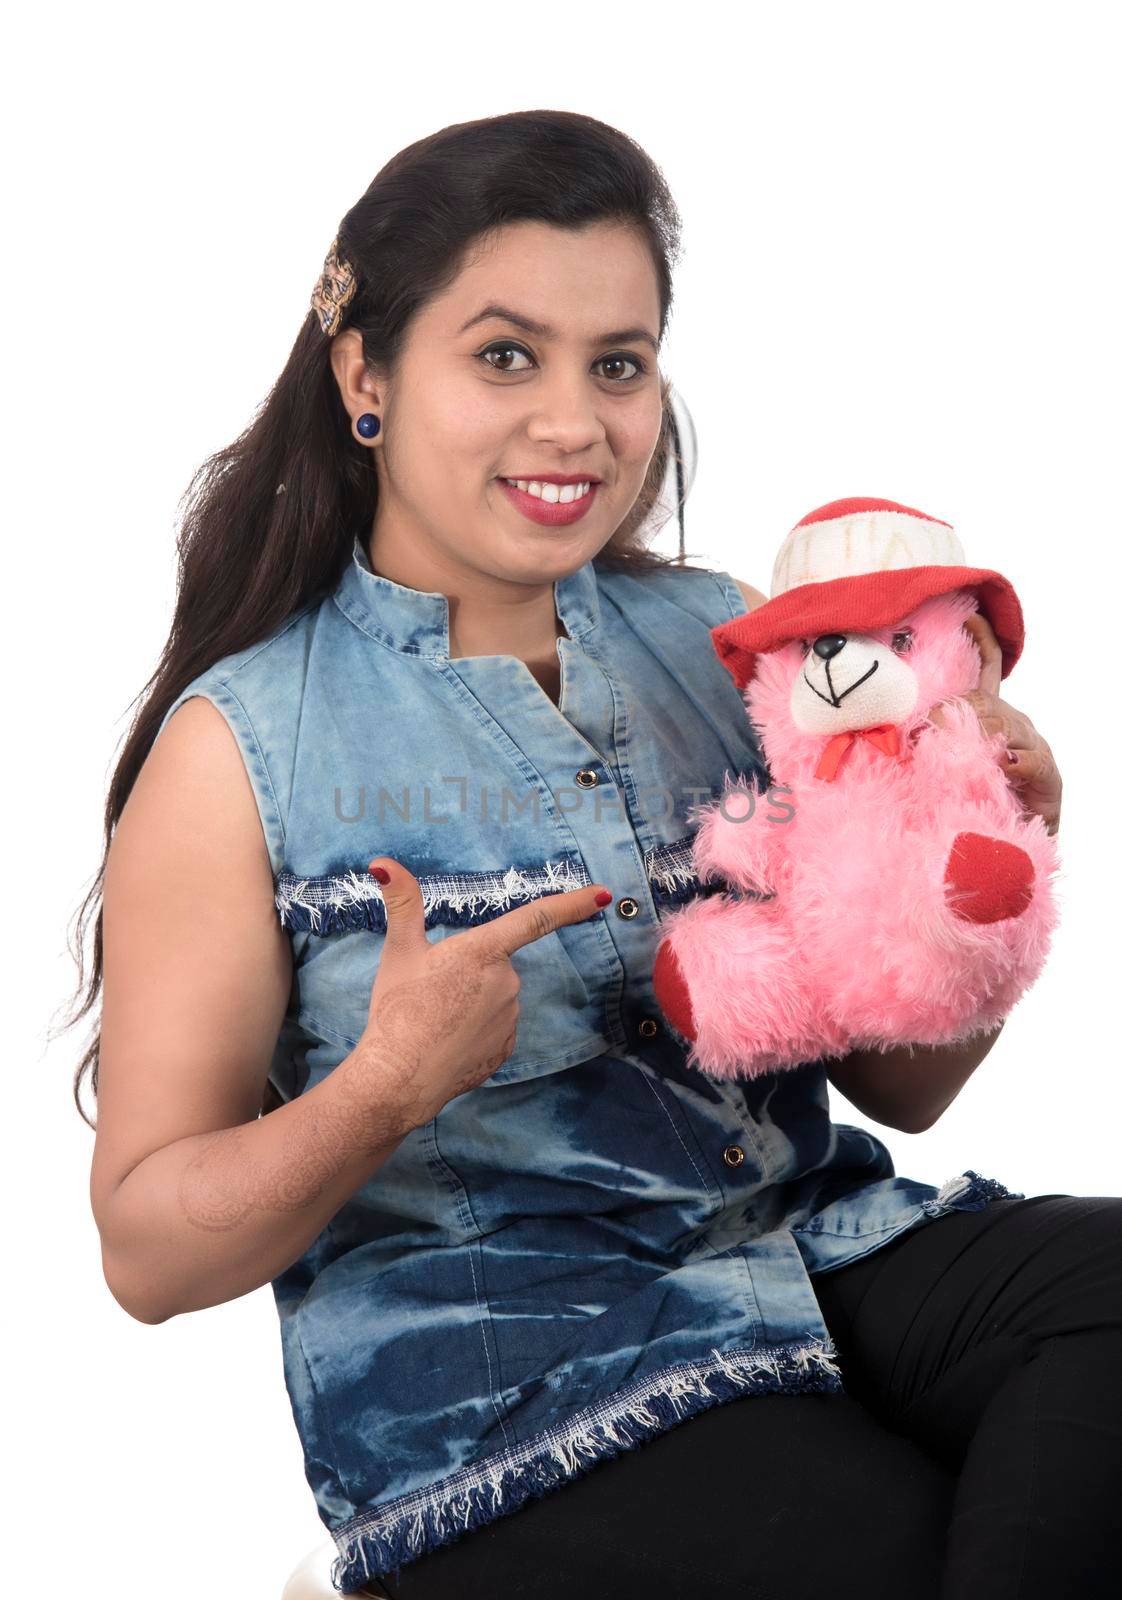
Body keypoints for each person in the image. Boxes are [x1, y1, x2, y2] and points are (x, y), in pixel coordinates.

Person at [66, 109, 1118, 1599]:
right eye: (506, 355)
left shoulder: (725, 641)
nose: (574, 422)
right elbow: (148, 1257)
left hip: (817, 1252)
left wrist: (993, 853)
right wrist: (382, 1089)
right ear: (365, 374)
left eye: (614, 364)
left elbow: (902, 1082)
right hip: (507, 1381)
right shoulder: (236, 751)